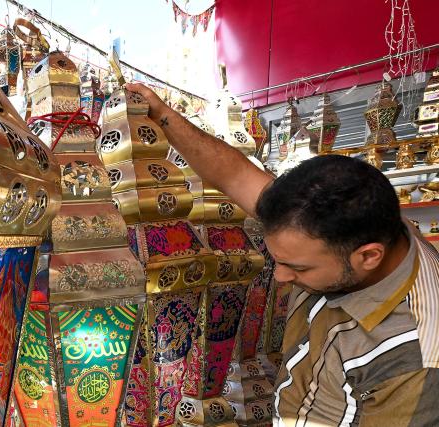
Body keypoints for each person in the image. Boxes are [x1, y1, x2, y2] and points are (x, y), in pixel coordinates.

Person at [126, 82, 439, 426]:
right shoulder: (331, 222)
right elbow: (233, 174)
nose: (280, 277)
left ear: (368, 256)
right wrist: (164, 115)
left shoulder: (415, 354)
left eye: (297, 268)